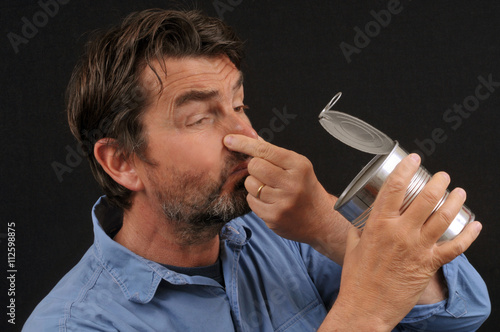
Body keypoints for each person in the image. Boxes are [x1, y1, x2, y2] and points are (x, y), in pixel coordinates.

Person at [23, 8, 490, 331]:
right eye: (201, 118)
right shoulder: (78, 322)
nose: (245, 136)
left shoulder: (281, 233)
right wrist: (362, 316)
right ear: (122, 161)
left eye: (239, 104)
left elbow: (463, 313)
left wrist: (326, 225)